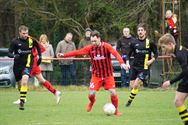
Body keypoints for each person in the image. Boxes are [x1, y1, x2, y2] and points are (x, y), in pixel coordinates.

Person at [57, 30, 127, 116]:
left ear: (99, 39)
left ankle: (116, 111)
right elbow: (77, 52)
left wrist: (122, 63)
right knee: (91, 94)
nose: (93, 42)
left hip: (108, 75)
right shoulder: (90, 48)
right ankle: (92, 102)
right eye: (92, 41)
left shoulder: (107, 46)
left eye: (95, 40)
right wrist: (64, 55)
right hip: (96, 75)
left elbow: (115, 53)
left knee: (113, 92)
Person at [8, 25, 61, 110]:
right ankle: (55, 92)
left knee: (26, 81)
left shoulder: (32, 40)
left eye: (26, 33)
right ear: (20, 33)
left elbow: (42, 49)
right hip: (24, 64)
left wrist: (35, 55)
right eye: (24, 33)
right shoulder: (16, 41)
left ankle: (23, 99)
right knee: (39, 80)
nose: (25, 35)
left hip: (31, 63)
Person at [125, 23, 158, 107]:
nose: (140, 32)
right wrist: (127, 62)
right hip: (134, 67)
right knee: (132, 86)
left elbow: (156, 53)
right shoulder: (133, 42)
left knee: (136, 84)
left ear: (145, 32)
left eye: (141, 30)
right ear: (137, 32)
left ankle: (128, 103)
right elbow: (128, 54)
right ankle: (131, 99)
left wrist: (151, 60)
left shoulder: (150, 42)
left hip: (144, 68)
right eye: (139, 30)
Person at [158, 33, 188, 125]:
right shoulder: (177, 50)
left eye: (164, 47)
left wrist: (170, 82)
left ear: (170, 44)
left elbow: (186, 71)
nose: (163, 50)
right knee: (178, 101)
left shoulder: (180, 53)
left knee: (178, 101)